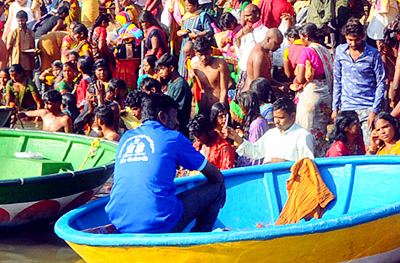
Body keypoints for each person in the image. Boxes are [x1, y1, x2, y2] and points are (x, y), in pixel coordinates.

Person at [106, 93, 227, 234]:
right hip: (159, 224)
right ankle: (199, 239)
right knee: (217, 186)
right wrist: (222, 184)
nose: (177, 121)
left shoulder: (125, 138)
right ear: (162, 116)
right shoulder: (173, 137)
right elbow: (213, 174)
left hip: (119, 222)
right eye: (174, 116)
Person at [332, 20, 386, 142]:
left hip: (368, 107)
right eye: (349, 40)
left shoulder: (373, 54)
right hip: (347, 107)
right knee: (347, 146)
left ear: (362, 36)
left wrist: (374, 110)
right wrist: (335, 108)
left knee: (369, 145)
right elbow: (337, 81)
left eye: (356, 40)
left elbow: (381, 82)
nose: (353, 43)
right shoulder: (340, 52)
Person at [228, 97, 315, 163]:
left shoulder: (302, 135)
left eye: (281, 118)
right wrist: (237, 139)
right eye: (275, 117)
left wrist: (284, 164)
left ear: (292, 116)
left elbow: (308, 165)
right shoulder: (271, 134)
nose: (276, 121)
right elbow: (255, 152)